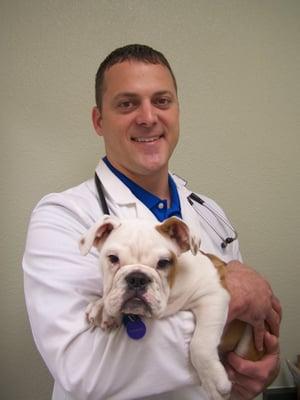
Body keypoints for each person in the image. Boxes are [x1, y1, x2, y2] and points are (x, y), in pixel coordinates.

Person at [23, 44, 281, 400]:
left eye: (162, 101)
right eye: (127, 104)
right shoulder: (62, 217)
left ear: (177, 111)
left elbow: (247, 334)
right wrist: (228, 298)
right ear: (99, 120)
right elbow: (81, 368)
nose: (148, 117)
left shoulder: (209, 212)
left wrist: (262, 368)